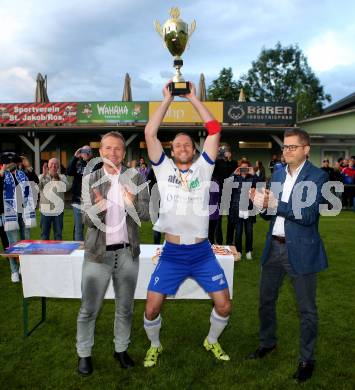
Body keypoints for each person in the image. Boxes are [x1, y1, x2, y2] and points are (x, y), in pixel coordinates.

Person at [142, 81, 231, 368]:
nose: (182, 147)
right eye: (177, 144)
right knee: (152, 308)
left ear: (194, 149)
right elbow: (149, 132)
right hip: (173, 253)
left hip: (202, 252)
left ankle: (212, 340)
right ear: (171, 149)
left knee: (224, 304)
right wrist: (167, 100)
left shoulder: (204, 165)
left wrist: (193, 97)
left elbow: (215, 129)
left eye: (187, 144)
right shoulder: (162, 166)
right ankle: (155, 345)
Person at [248, 128, 329, 383]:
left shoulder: (318, 177)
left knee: (306, 310)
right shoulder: (279, 172)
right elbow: (270, 214)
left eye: (292, 147)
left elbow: (307, 215)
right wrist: (262, 204)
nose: (286, 151)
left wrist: (275, 205)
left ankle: (307, 359)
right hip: (274, 247)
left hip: (302, 249)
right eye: (285, 147)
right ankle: (267, 343)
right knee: (265, 301)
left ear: (306, 149)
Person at [76, 131, 150, 376]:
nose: (112, 153)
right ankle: (84, 354)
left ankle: (121, 349)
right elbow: (86, 218)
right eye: (107, 148)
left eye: (117, 148)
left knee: (125, 307)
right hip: (98, 254)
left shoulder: (136, 178)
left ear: (123, 152)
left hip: (127, 254)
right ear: (100, 152)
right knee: (89, 308)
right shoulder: (91, 178)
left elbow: (146, 215)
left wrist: (132, 203)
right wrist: (100, 206)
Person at [0, 151, 37, 282]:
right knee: (13, 243)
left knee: (25, 240)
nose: (12, 164)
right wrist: (1, 174)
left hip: (24, 210)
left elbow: (35, 182)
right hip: (10, 212)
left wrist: (28, 167)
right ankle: (14, 270)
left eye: (13, 161)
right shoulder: (2, 176)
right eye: (9, 162)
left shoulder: (22, 174)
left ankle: (23, 266)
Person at [227, 160, 259, 260]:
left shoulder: (252, 178)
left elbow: (261, 184)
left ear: (249, 168)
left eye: (246, 168)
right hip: (237, 208)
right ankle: (239, 251)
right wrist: (234, 173)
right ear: (239, 168)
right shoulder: (235, 177)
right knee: (238, 232)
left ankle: (249, 251)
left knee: (249, 231)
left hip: (249, 208)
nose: (244, 170)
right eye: (242, 168)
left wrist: (254, 174)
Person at [67, 146, 93, 241]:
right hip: (77, 200)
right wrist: (75, 157)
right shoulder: (77, 164)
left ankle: (91, 249)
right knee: (78, 227)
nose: (85, 153)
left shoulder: (96, 164)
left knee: (92, 227)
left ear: (91, 153)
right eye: (83, 151)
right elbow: (69, 172)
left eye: (87, 151)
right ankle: (79, 250)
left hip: (90, 201)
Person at [38, 158, 69, 240]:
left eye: (55, 164)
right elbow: (37, 187)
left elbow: (66, 188)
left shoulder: (62, 177)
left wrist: (57, 177)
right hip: (45, 210)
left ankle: (58, 252)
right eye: (51, 163)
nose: (53, 165)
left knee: (58, 235)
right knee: (44, 235)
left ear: (58, 166)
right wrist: (44, 175)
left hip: (58, 211)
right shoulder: (41, 176)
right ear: (48, 165)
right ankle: (44, 251)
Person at [213, 145, 237, 244]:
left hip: (230, 193)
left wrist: (229, 161)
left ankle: (229, 242)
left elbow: (233, 174)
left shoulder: (234, 163)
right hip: (219, 193)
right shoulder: (217, 163)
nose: (225, 153)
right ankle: (219, 241)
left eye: (227, 151)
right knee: (218, 220)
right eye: (224, 151)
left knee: (231, 219)